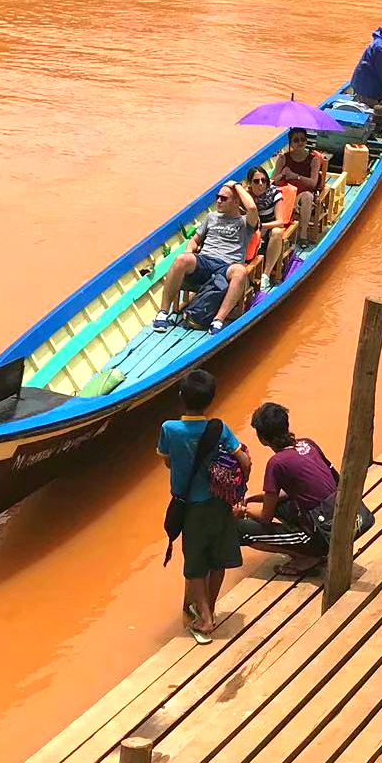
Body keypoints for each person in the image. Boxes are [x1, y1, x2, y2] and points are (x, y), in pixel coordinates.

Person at [158, 370, 250, 640]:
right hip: (220, 503)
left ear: (180, 398)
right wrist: (239, 491)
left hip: (191, 506)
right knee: (218, 558)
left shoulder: (169, 429)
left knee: (195, 564)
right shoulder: (219, 428)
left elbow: (166, 460)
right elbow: (243, 460)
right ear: (211, 399)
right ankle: (209, 607)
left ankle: (206, 619)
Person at [234, 401, 359, 574]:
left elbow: (265, 517)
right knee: (280, 503)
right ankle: (309, 546)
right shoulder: (307, 444)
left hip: (324, 533)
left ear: (262, 439)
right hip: (343, 517)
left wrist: (244, 511)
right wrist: (253, 498)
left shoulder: (276, 463)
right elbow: (296, 490)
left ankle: (308, 555)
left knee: (239, 530)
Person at [155, 180, 259, 332]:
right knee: (181, 259)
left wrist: (236, 185)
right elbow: (195, 240)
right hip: (205, 261)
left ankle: (218, 320)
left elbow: (252, 207)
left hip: (227, 266)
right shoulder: (211, 217)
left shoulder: (245, 223)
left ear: (236, 202)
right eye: (218, 197)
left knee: (240, 271)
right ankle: (163, 313)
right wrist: (189, 252)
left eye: (224, 198)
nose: (218, 201)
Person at [271, 126, 328, 246]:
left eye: (303, 139)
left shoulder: (313, 160)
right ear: (290, 143)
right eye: (296, 140)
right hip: (285, 193)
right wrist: (282, 175)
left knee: (307, 196)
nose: (300, 142)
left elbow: (313, 183)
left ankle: (303, 235)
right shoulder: (283, 158)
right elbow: (272, 181)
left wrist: (295, 176)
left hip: (302, 194)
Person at [245, 164, 297, 279]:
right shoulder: (246, 196)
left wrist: (262, 226)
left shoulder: (274, 193)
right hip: (250, 228)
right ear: (249, 183)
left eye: (264, 181)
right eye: (256, 181)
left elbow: (280, 221)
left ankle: (266, 274)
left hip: (268, 227)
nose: (260, 184)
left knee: (277, 231)